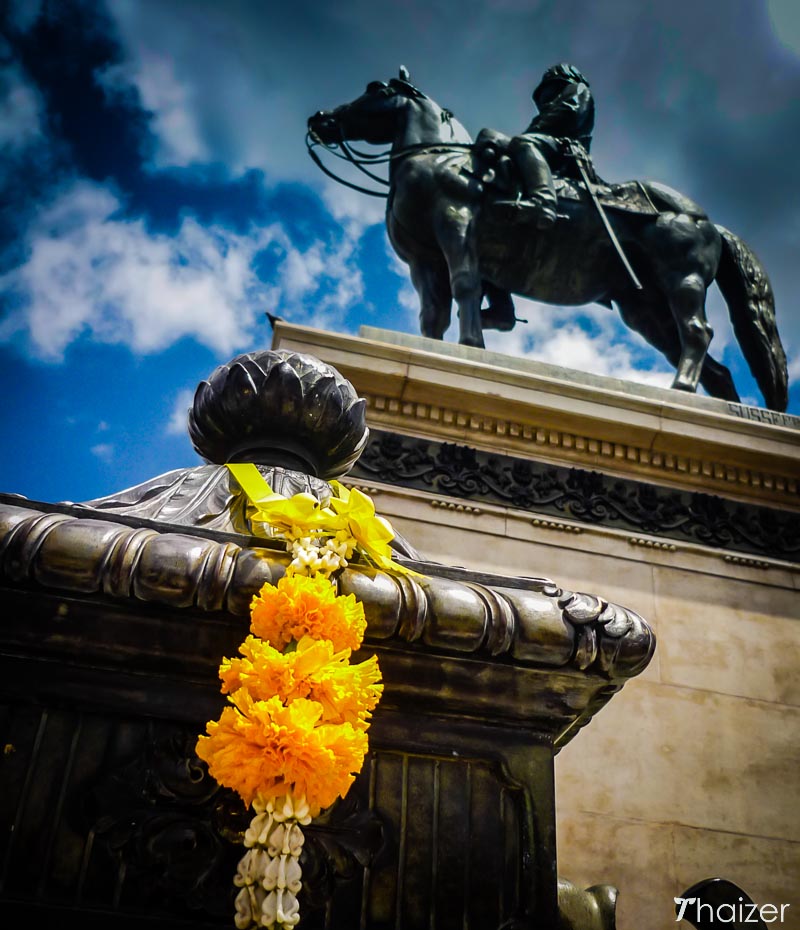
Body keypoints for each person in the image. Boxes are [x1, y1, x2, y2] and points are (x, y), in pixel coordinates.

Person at [502, 63, 595, 228]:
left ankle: (544, 202)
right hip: (549, 147)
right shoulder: (547, 112)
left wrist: (532, 131)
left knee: (523, 143)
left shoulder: (578, 89)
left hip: (567, 151)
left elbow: (569, 113)